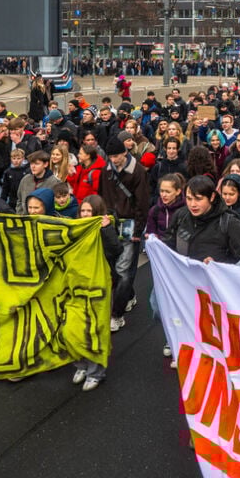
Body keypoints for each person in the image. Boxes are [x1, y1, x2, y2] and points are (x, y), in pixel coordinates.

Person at [99, 136, 150, 332]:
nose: (114, 160)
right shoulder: (107, 171)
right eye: (110, 156)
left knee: (123, 269)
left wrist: (138, 230)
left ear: (125, 153)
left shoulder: (137, 172)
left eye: (116, 156)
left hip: (130, 224)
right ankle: (128, 295)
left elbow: (142, 202)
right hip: (111, 223)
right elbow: (102, 194)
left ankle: (116, 314)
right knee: (113, 268)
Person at [72, 195, 122, 391]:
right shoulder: (75, 230)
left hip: (100, 285)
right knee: (75, 327)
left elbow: (116, 251)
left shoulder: (106, 228)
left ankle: (95, 372)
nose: (85, 215)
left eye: (89, 212)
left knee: (95, 328)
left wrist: (106, 229)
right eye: (82, 211)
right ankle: (80, 365)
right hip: (77, 284)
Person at [161, 175, 240, 264]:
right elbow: (168, 244)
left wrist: (218, 265)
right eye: (189, 199)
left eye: (198, 199)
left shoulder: (229, 223)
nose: (193, 204)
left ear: (211, 197)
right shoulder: (181, 215)